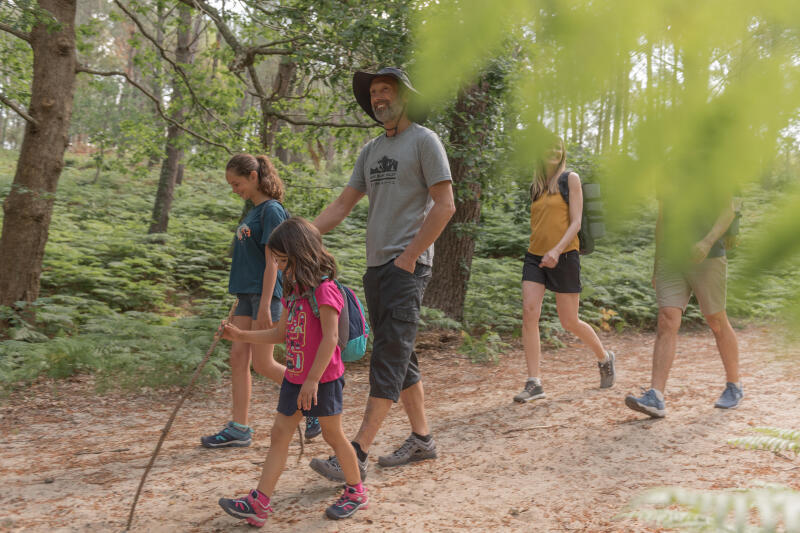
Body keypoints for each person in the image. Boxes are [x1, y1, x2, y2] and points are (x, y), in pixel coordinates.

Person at [308, 67, 455, 482]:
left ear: (404, 97)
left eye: (385, 90)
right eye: (373, 93)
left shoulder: (425, 141)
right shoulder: (370, 150)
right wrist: (303, 232)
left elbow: (445, 205)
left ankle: (354, 454)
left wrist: (410, 256)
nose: (378, 98)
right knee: (401, 354)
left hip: (407, 268)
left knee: (388, 357)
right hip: (376, 269)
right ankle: (422, 440)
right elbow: (342, 205)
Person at [218, 217, 367, 525]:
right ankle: (259, 504)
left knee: (332, 434)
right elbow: (281, 334)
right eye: (277, 260)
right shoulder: (293, 290)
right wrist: (242, 336)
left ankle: (355, 491)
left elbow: (331, 337)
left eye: (284, 260)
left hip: (322, 380)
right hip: (295, 377)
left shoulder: (325, 291)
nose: (281, 267)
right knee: (279, 434)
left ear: (303, 254)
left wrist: (312, 380)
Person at [201, 154, 320, 448]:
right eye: (231, 184)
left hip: (264, 296)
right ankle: (239, 428)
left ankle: (314, 406)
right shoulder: (254, 211)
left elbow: (273, 263)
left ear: (254, 176)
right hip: (245, 295)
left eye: (237, 183)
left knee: (263, 363)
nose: (234, 189)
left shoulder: (272, 211)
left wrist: (267, 303)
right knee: (238, 359)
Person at [515, 135, 616, 403]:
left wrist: (556, 251)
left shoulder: (570, 179)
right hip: (535, 257)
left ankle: (604, 358)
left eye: (557, 148)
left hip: (565, 256)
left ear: (562, 153)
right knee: (529, 313)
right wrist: (542, 252)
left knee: (569, 321)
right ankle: (534, 382)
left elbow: (576, 222)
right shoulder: (536, 186)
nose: (552, 151)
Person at [625, 195, 742, 418]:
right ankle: (655, 396)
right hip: (671, 257)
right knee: (667, 318)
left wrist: (707, 242)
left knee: (715, 320)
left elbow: (728, 211)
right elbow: (662, 218)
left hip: (708, 256)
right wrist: (657, 262)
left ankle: (734, 385)